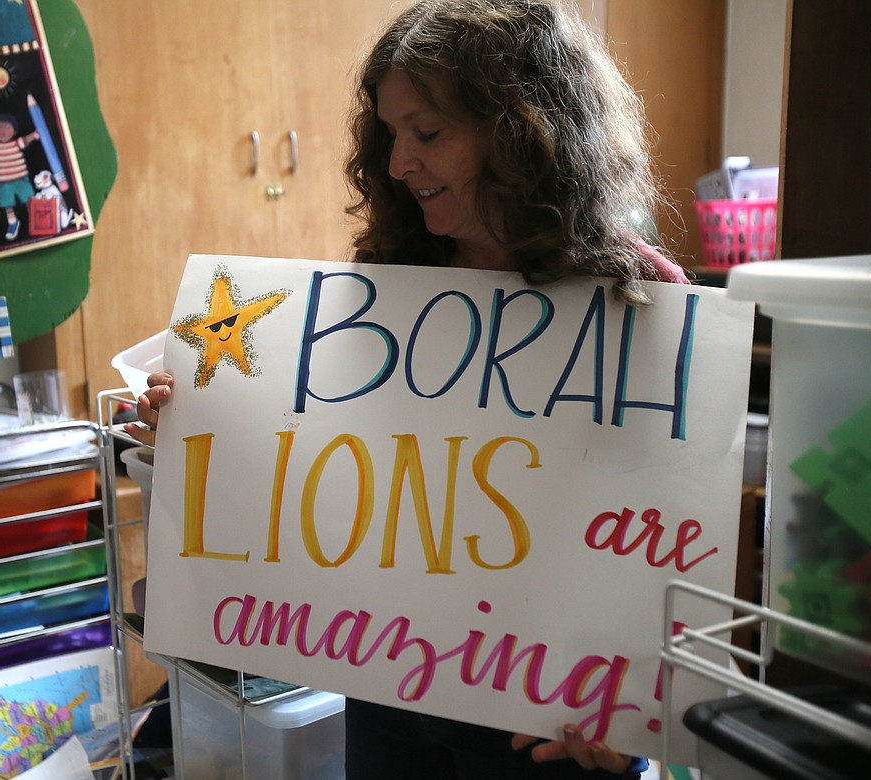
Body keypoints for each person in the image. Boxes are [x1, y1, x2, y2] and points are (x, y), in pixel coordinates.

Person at [126, 1, 689, 777]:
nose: (397, 164)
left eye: (427, 132)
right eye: (390, 134)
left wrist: (632, 714)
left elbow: (666, 536)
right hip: (393, 686)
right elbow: (327, 472)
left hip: (551, 712)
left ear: (522, 129)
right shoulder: (387, 286)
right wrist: (196, 437)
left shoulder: (641, 298)